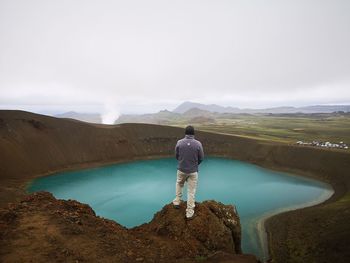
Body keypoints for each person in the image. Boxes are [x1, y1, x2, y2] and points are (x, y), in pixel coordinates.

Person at [172, 125, 204, 219]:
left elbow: (176, 155)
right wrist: (195, 165)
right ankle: (189, 213)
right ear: (193, 133)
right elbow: (201, 158)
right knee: (191, 191)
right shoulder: (198, 144)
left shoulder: (179, 142)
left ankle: (177, 201)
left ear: (185, 133)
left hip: (181, 170)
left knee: (179, 184)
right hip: (193, 171)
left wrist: (182, 162)